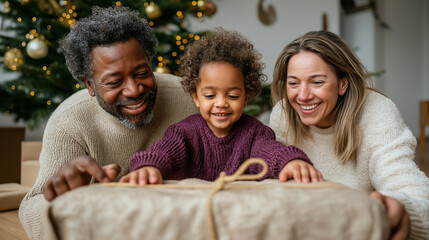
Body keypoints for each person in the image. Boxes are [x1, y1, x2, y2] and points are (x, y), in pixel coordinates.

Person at [18, 6, 198, 239]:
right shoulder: (69, 123)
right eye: (114, 82)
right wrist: (66, 201)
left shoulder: (191, 99)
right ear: (90, 86)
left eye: (142, 73)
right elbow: (31, 206)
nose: (134, 90)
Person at [269, 30, 429, 240]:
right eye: (293, 83)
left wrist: (401, 210)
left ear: (342, 84)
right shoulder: (282, 114)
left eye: (317, 82)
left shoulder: (377, 112)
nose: (303, 96)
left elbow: (414, 192)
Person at [119, 28, 323, 185]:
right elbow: (163, 154)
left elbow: (270, 151)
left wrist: (290, 161)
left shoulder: (255, 134)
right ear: (196, 97)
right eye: (209, 95)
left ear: (245, 98)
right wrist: (148, 167)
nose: (221, 103)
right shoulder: (183, 133)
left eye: (233, 95)